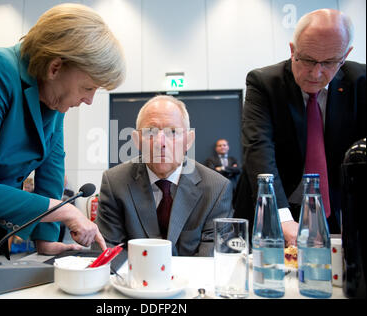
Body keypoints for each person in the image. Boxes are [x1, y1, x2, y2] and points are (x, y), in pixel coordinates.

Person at [0, 3, 125, 298]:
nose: (89, 100)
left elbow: (51, 169)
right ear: (56, 67)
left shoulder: (52, 95)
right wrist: (64, 211)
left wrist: (46, 238)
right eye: (88, 87)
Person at [233, 9, 366, 247]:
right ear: (293, 50)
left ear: (345, 55)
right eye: (307, 60)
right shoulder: (264, 83)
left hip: (331, 210)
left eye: (329, 62)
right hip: (272, 205)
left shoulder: (360, 82)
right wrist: (281, 216)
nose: (316, 73)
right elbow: (259, 148)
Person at [95, 95, 233, 256]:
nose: (160, 142)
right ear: (137, 140)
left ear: (188, 140)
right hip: (134, 279)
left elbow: (213, 257)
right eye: (150, 132)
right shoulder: (115, 183)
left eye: (173, 132)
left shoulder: (217, 188)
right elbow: (108, 250)